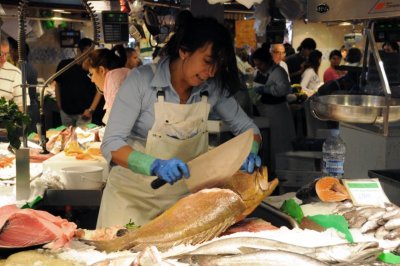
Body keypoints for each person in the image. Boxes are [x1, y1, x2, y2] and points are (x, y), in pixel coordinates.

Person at [97, 16, 262, 228]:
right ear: (184, 51)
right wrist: (154, 165)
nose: (210, 73)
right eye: (207, 62)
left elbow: (249, 129)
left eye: (217, 66)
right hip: (131, 200)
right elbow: (111, 144)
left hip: (183, 204)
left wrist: (251, 148)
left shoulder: (212, 87)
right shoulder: (140, 82)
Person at [252, 47, 295, 172]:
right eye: (256, 65)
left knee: (279, 145)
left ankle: (281, 172)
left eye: (260, 64)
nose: (258, 67)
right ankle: (269, 170)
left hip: (278, 113)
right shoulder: (258, 73)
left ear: (267, 61)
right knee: (268, 145)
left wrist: (266, 90)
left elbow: (284, 89)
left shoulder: (278, 72)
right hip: (264, 112)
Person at [54, 38, 105, 127]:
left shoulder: (92, 68)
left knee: (84, 138)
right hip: (66, 112)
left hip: (84, 114)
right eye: (88, 53)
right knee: (67, 138)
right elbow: (57, 84)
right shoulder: (64, 65)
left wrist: (91, 109)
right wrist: (59, 104)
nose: (90, 56)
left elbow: (99, 90)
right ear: (78, 51)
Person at [86, 45, 130, 124]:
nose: (92, 80)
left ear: (101, 70)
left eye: (91, 74)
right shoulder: (123, 74)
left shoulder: (114, 83)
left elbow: (116, 127)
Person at [8, 37, 39, 133]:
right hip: (31, 108)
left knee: (25, 140)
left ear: (18, 51)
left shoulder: (21, 70)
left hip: (26, 110)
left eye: (11, 50)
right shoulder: (28, 66)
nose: (10, 53)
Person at [0, 38, 28, 110]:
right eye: (0, 54)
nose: (3, 58)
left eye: (6, 54)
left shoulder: (15, 73)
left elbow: (22, 106)